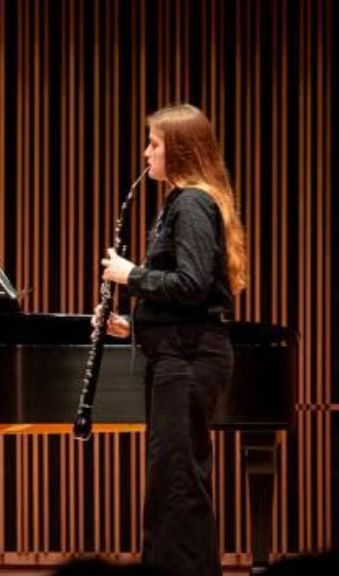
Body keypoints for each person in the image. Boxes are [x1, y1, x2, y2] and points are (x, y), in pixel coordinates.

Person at [96, 104, 247, 576]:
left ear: (178, 150)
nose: (146, 153)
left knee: (178, 486)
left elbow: (192, 284)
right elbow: (184, 295)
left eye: (154, 144)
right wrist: (131, 324)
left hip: (188, 356)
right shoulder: (180, 203)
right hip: (177, 351)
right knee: (172, 484)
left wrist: (131, 274)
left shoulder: (192, 204)